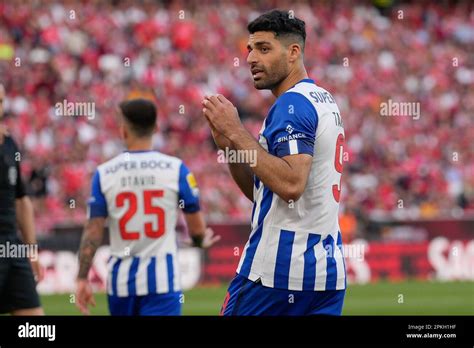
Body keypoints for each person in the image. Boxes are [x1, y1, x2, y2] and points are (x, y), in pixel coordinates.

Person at [202, 10, 346, 315]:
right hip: (325, 275)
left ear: (293, 52)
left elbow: (291, 184)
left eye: (264, 49)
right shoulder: (324, 99)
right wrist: (230, 148)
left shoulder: (292, 104)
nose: (252, 58)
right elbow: (263, 192)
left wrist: (237, 132)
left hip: (274, 274)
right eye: (250, 49)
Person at [76, 98, 220, 315]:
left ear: (123, 131)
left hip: (121, 284)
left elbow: (93, 231)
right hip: (162, 282)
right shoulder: (176, 169)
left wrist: (81, 277)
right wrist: (199, 241)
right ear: (155, 128)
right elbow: (197, 229)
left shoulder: (104, 173)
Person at [0, 83, 44, 315]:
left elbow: (21, 200)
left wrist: (31, 249)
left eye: (0, 101)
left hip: (11, 244)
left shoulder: (9, 144)